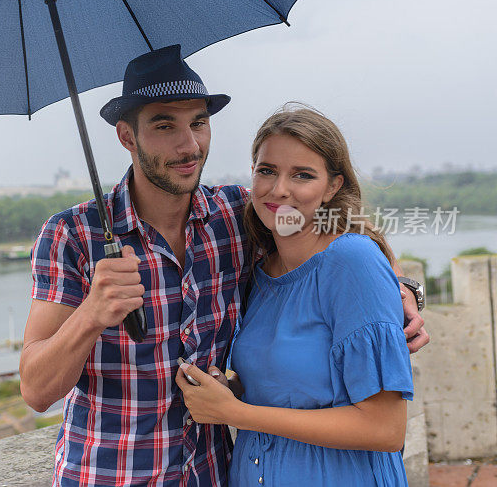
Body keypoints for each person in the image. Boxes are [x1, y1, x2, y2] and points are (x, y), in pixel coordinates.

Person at [20, 45, 427, 486]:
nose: (189, 144)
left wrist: (399, 288)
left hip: (213, 473)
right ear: (126, 137)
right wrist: (92, 315)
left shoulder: (236, 216)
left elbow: (337, 231)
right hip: (111, 475)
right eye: (164, 125)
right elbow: (37, 391)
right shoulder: (74, 236)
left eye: (198, 123)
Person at [176, 105, 414, 486]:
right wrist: (230, 387)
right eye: (267, 170)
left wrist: (235, 413)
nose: (279, 189)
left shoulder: (351, 261)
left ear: (332, 186)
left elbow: (384, 428)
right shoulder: (259, 271)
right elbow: (289, 384)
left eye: (302, 175)